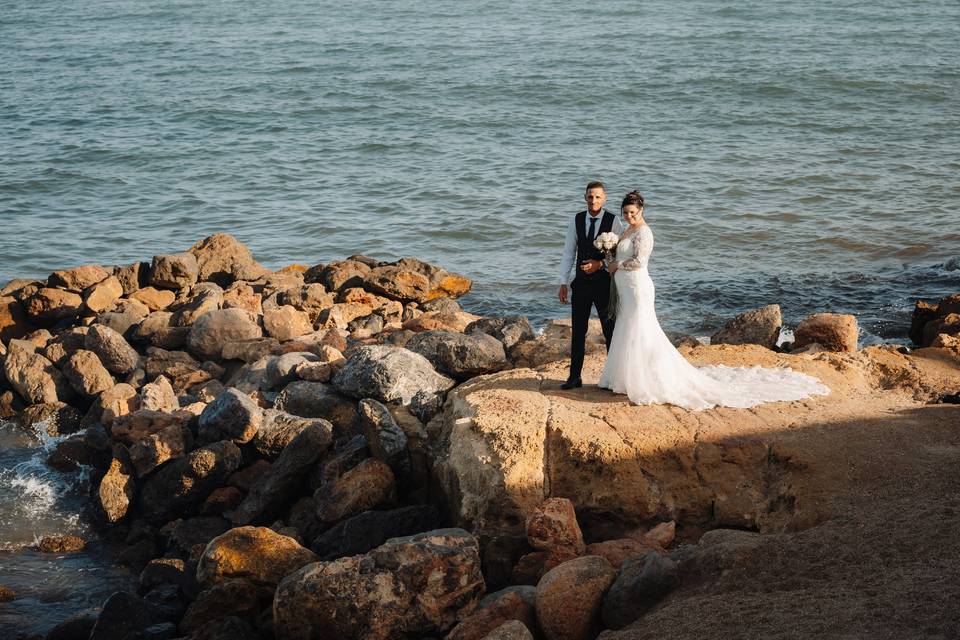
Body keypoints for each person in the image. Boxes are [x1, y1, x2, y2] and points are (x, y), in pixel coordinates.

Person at [598, 190, 829, 410]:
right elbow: (619, 254)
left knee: (641, 330)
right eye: (625, 212)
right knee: (626, 327)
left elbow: (640, 261)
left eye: (632, 212)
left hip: (638, 287)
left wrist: (618, 264)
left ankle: (645, 380)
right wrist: (608, 253)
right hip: (624, 289)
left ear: (641, 210)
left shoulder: (644, 232)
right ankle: (622, 379)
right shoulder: (626, 231)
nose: (628, 216)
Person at [557, 181, 624, 389]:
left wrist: (599, 264)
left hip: (604, 285)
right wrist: (563, 282)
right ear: (585, 198)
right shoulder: (576, 220)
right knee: (578, 330)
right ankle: (574, 376)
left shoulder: (614, 222)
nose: (593, 200)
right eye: (589, 196)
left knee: (609, 330)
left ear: (604, 199)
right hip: (581, 286)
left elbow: (619, 255)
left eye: (597, 197)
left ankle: (613, 378)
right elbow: (569, 252)